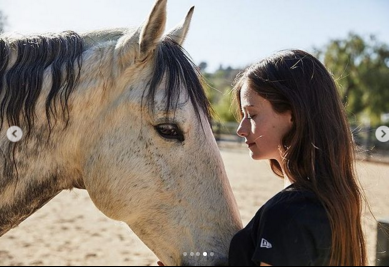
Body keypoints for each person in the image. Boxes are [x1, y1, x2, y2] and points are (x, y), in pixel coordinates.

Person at [228, 50, 367, 266]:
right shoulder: (334, 200)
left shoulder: (287, 214)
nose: (241, 129)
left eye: (252, 115)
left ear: (293, 113)